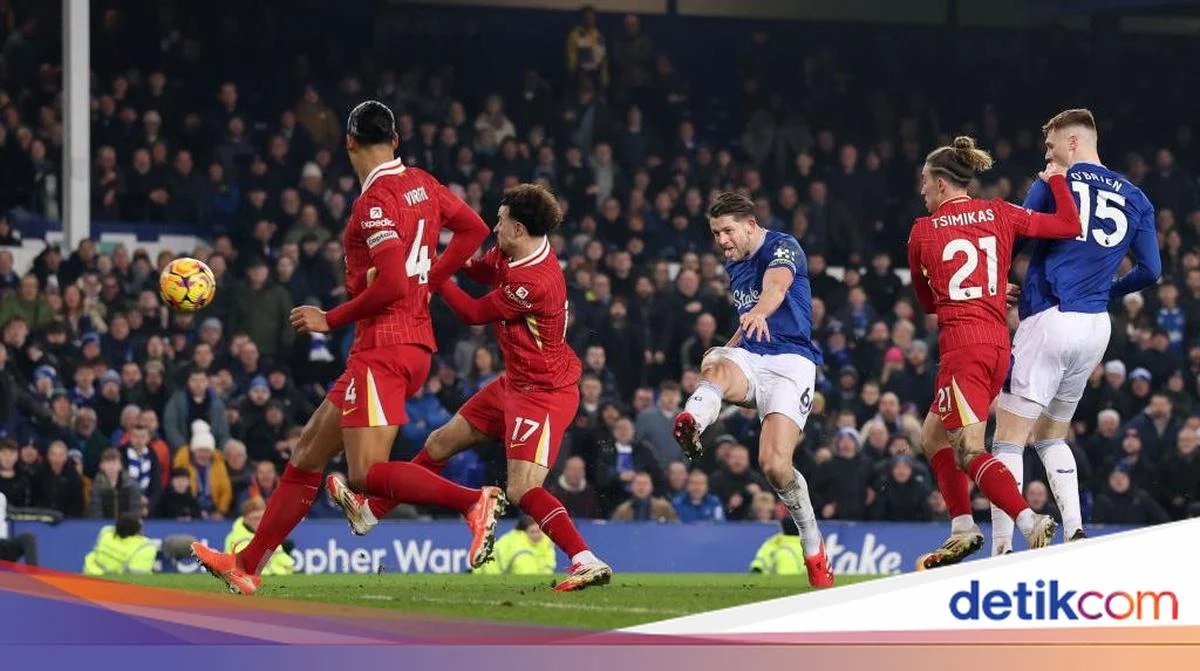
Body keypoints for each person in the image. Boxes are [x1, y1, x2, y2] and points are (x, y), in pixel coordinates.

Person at [191, 99, 492, 595]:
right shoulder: (423, 182)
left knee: (366, 474)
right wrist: (434, 278)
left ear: (348, 142)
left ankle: (471, 502)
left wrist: (329, 319)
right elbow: (475, 229)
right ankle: (246, 564)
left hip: (385, 345)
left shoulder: (373, 204)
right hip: (405, 343)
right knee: (308, 452)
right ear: (394, 140)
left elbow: (392, 281)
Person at [328, 183, 612, 591]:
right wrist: (436, 251)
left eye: (498, 222)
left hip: (543, 393)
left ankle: (585, 559)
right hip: (513, 382)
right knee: (441, 442)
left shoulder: (537, 279)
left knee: (522, 488)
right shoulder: (514, 250)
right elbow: (478, 269)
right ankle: (370, 511)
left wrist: (427, 275)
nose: (493, 228)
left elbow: (474, 312)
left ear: (517, 228)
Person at [906, 136, 1081, 570]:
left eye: (925, 182)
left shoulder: (923, 231)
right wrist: (1057, 181)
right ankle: (962, 528)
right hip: (999, 344)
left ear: (943, 184)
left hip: (962, 349)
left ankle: (1029, 520)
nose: (922, 190)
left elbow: (929, 304)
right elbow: (1066, 224)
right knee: (931, 434)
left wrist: (972, 294)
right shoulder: (1000, 211)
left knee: (968, 449)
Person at [990, 109, 1160, 554]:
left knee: (1007, 438)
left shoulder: (1054, 181)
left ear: (1071, 144)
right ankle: (1076, 530)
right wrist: (1109, 289)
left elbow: (1017, 236)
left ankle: (1002, 550)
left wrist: (1001, 284)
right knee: (1051, 435)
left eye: (1049, 146)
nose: (1045, 156)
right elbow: (1151, 270)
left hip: (1050, 316)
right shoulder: (1137, 197)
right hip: (1095, 327)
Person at [671, 191, 834, 588]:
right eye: (715, 233)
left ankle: (813, 546)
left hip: (791, 364)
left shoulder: (782, 246)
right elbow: (746, 327)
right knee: (715, 359)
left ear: (749, 225)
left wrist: (760, 311)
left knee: (775, 466)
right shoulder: (734, 263)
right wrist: (731, 344)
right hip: (752, 357)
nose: (722, 241)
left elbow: (776, 288)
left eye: (727, 231)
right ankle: (694, 420)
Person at [224, 497, 295, 576]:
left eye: (263, 517)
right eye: (255, 518)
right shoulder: (237, 538)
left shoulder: (270, 534)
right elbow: (247, 566)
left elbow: (286, 564)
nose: (260, 522)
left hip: (280, 580)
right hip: (257, 581)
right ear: (245, 519)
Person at [474, 515, 556, 576]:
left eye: (539, 531)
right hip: (487, 572)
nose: (537, 535)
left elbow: (547, 566)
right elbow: (527, 575)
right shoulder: (519, 546)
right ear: (523, 532)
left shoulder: (546, 543)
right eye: (532, 532)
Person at [82, 513, 157, 576]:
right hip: (112, 585)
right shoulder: (144, 546)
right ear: (137, 531)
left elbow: (115, 527)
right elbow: (139, 574)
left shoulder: (106, 532)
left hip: (88, 574)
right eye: (141, 528)